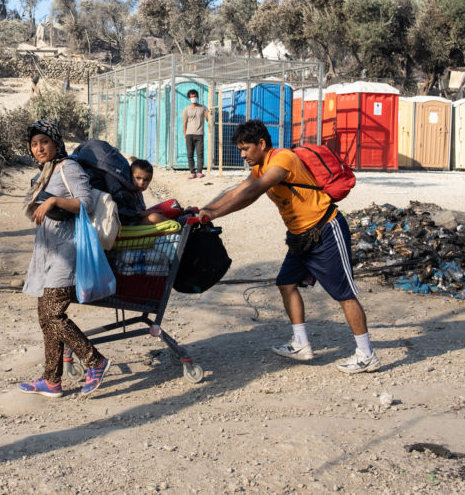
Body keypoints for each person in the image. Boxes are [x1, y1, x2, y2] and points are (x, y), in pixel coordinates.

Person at [196, 120, 380, 373]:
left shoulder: (283, 160)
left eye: (246, 149)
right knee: (285, 283)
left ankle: (366, 354)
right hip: (300, 237)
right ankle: (301, 343)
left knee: (343, 294)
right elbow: (238, 190)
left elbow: (252, 193)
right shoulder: (260, 166)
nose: (242, 155)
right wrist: (205, 209)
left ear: (262, 144)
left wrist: (214, 216)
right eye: (240, 149)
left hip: (325, 229)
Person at [19, 119, 112, 396]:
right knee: (45, 318)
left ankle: (95, 361)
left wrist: (54, 201)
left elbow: (86, 203)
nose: (39, 148)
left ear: (56, 142)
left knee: (53, 314)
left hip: (68, 252)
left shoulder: (68, 167)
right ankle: (51, 380)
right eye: (34, 144)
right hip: (47, 251)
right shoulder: (44, 173)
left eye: (44, 142)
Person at [127, 159, 170, 225]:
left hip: (139, 221)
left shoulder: (138, 191)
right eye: (138, 178)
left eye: (146, 180)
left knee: (171, 206)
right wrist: (148, 213)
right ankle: (179, 228)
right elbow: (129, 213)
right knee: (155, 218)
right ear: (130, 176)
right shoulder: (127, 192)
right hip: (131, 226)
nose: (141, 183)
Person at [181, 89, 211, 179]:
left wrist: (209, 114)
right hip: (189, 134)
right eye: (191, 97)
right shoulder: (186, 109)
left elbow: (207, 119)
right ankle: (192, 172)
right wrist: (185, 135)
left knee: (200, 154)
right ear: (189, 98)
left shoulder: (203, 108)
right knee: (190, 154)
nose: (193, 98)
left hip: (199, 134)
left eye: (195, 96)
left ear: (197, 97)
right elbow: (184, 123)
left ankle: (199, 172)